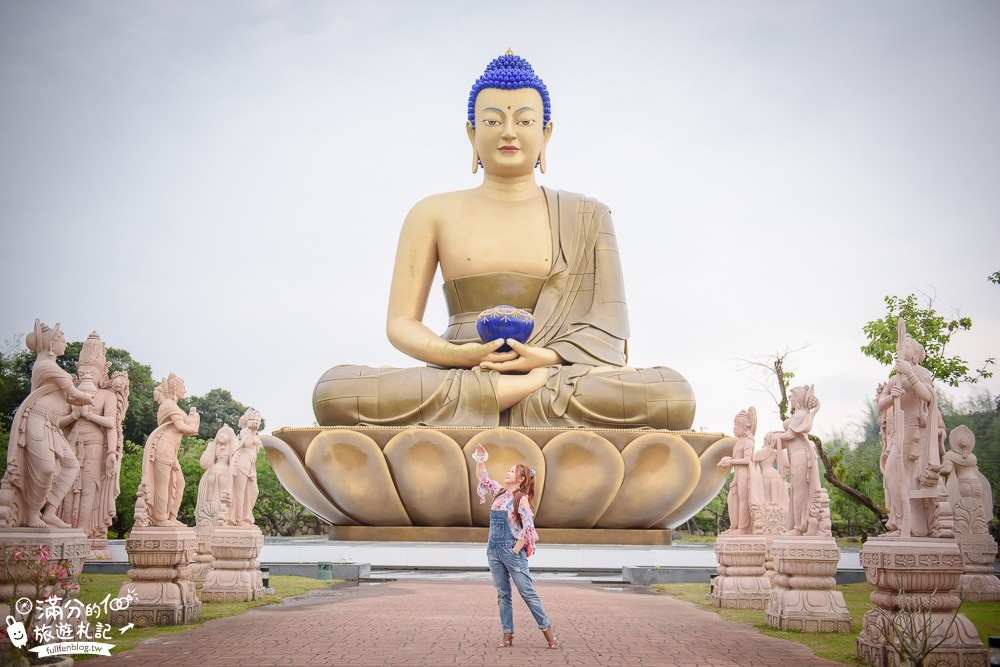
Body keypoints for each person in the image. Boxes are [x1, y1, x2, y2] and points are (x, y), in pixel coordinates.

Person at [313, 52, 694, 431]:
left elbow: (608, 335)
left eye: (525, 120)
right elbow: (400, 322)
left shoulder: (588, 215)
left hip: (558, 375)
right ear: (472, 133)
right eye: (493, 120)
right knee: (335, 391)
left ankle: (505, 395)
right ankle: (505, 394)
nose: (509, 132)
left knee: (671, 395)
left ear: (545, 133)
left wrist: (544, 359)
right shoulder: (431, 212)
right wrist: (462, 357)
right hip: (459, 370)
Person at [0, 320, 91, 528]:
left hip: (51, 425)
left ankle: (49, 511)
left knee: (71, 465)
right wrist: (89, 397)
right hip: (36, 421)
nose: (65, 344)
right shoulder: (46, 366)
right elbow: (74, 393)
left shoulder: (53, 367)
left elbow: (68, 397)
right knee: (47, 469)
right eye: (62, 340)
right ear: (51, 344)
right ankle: (32, 513)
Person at [472, 442, 557, 649]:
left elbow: (529, 528)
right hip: (493, 550)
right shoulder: (500, 493)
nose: (508, 473)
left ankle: (549, 634)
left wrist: (515, 550)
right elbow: (483, 478)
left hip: (512, 551)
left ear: (521, 479)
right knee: (503, 594)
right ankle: (507, 635)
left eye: (512, 471)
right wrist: (481, 459)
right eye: (509, 470)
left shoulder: (522, 499)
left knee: (527, 593)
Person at [57, 331, 129, 542]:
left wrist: (111, 453)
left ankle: (83, 533)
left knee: (89, 489)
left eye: (92, 371)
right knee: (67, 488)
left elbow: (111, 425)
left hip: (95, 446)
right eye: (84, 370)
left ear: (101, 374)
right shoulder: (71, 394)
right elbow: (58, 423)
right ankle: (67, 532)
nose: (88, 374)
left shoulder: (107, 395)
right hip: (71, 445)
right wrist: (73, 415)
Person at [135, 373, 200, 527]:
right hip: (163, 448)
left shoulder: (173, 406)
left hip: (171, 450)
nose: (185, 391)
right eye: (183, 388)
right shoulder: (169, 405)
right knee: (162, 484)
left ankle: (171, 517)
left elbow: (185, 427)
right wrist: (192, 425)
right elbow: (181, 427)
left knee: (179, 483)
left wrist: (192, 420)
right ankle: (160, 518)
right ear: (175, 388)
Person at [765, 385, 821, 536]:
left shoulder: (800, 414)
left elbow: (789, 436)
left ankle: (799, 527)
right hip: (796, 455)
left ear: (798, 400)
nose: (789, 400)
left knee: (800, 492)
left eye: (791, 397)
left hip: (802, 456)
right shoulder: (799, 414)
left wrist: (775, 436)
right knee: (797, 491)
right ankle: (797, 525)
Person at [718, 407, 756, 535]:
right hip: (737, 474)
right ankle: (734, 526)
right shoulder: (738, 442)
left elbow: (747, 460)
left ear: (744, 428)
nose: (733, 429)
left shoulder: (748, 442)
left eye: (735, 427)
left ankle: (743, 528)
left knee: (743, 500)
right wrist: (728, 460)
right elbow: (736, 459)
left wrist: (731, 462)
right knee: (732, 499)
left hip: (744, 474)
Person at [225, 408, 262, 527]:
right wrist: (252, 432)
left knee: (253, 491)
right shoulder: (244, 431)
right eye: (253, 420)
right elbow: (247, 444)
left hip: (250, 464)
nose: (255, 423)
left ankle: (246, 516)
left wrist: (254, 433)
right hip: (242, 462)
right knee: (240, 492)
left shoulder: (254, 433)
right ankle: (239, 519)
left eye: (257, 421)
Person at [196, 424, 236, 527]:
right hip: (212, 474)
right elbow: (204, 462)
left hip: (226, 474)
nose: (222, 447)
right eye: (219, 444)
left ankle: (223, 515)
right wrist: (210, 447)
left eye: (226, 445)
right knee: (212, 484)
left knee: (223, 488)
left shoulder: (232, 465)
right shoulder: (213, 448)